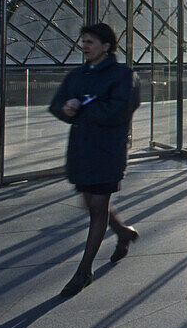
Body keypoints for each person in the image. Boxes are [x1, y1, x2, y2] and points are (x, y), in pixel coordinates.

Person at [49, 23, 140, 298]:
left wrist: (82, 105)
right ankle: (123, 233)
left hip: (107, 151)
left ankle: (84, 271)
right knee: (91, 203)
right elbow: (57, 104)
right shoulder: (77, 74)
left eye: (90, 41)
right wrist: (66, 108)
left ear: (106, 46)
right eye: (83, 41)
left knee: (98, 206)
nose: (85, 46)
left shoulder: (124, 75)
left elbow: (120, 111)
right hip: (81, 150)